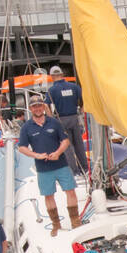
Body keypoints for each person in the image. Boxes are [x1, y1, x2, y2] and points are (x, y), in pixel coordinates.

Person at [16, 93, 82, 235]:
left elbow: (65, 141)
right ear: (30, 109)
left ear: (44, 106)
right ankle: (56, 224)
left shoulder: (54, 123)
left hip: (61, 164)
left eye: (40, 105)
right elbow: (21, 147)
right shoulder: (27, 127)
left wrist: (58, 153)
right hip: (43, 168)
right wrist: (36, 155)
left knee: (70, 191)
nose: (38, 108)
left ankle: (75, 221)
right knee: (48, 196)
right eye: (35, 107)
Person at [47, 66, 89, 177]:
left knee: (67, 146)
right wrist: (81, 110)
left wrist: (51, 118)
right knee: (79, 144)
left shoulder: (52, 90)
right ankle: (85, 168)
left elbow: (46, 105)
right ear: (62, 74)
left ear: (52, 77)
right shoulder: (74, 86)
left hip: (61, 119)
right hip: (75, 118)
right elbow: (85, 99)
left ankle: (74, 172)